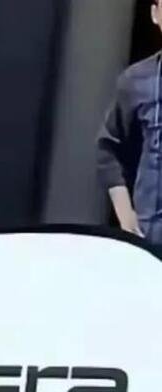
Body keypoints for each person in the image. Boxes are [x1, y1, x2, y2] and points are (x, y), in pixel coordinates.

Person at [96, 1, 162, 248]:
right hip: (150, 239)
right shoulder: (136, 80)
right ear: (155, 14)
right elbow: (108, 149)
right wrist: (125, 214)